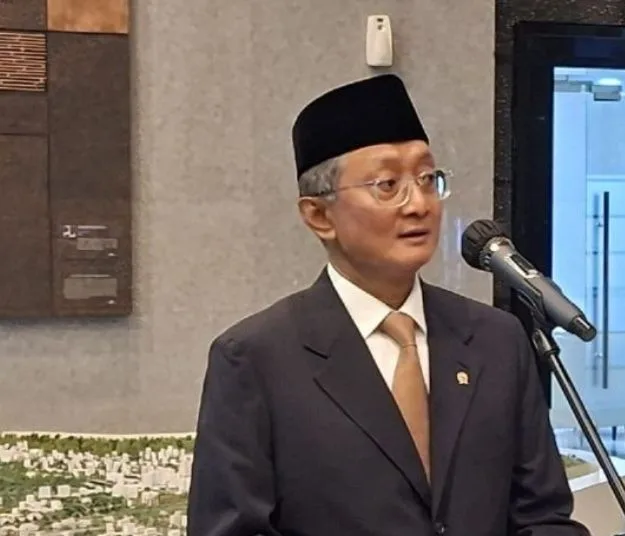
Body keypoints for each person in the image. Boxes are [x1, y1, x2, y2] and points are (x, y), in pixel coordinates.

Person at [187, 73, 590, 536]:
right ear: (318, 215)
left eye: (427, 179)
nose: (418, 204)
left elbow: (543, 517)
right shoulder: (256, 358)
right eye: (387, 184)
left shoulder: (496, 340)